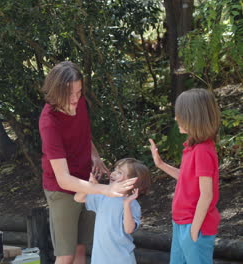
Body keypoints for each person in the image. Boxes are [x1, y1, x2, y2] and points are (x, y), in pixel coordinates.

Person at [39, 61, 137, 264]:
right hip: (62, 190)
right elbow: (64, 180)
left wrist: (95, 156)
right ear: (56, 91)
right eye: (70, 94)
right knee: (66, 254)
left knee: (81, 248)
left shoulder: (80, 102)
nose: (76, 99)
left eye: (79, 92)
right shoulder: (49, 122)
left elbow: (83, 134)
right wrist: (104, 190)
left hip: (86, 182)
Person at [149, 88, 221, 264]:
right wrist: (161, 164)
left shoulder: (203, 150)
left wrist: (193, 231)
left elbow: (206, 194)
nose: (176, 118)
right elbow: (187, 178)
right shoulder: (192, 147)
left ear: (193, 118)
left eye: (179, 114)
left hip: (194, 226)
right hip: (181, 223)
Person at [74, 158, 151, 264]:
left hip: (121, 259)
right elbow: (78, 198)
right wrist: (91, 187)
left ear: (132, 181)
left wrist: (126, 204)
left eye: (119, 172)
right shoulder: (104, 194)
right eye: (115, 170)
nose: (113, 173)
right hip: (99, 258)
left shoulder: (132, 204)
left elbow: (129, 229)